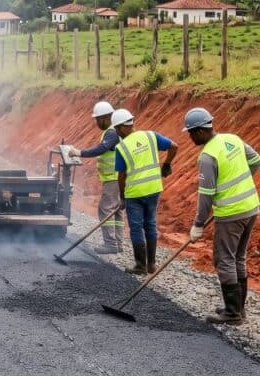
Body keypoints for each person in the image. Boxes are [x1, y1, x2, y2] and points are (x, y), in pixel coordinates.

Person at [184, 107, 260, 325]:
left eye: (190, 133)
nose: (190, 137)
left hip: (231, 214)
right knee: (239, 258)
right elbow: (255, 160)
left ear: (199, 131)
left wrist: (198, 224)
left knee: (225, 259)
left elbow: (206, 196)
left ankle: (232, 314)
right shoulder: (232, 139)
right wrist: (240, 181)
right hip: (251, 207)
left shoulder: (208, 157)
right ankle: (238, 309)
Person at [111, 108, 178, 275]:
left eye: (117, 129)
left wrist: (122, 197)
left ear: (121, 128)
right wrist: (167, 164)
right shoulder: (151, 136)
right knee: (150, 224)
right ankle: (151, 265)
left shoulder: (122, 147)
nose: (118, 133)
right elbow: (174, 146)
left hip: (135, 193)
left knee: (136, 228)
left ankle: (140, 266)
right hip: (154, 189)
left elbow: (122, 175)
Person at [70, 101, 124, 254]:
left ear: (106, 117)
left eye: (98, 119)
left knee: (105, 208)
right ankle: (117, 243)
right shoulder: (114, 131)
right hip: (117, 177)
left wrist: (79, 152)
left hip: (114, 177)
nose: (97, 123)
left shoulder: (112, 132)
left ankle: (111, 244)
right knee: (116, 210)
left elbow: (101, 148)